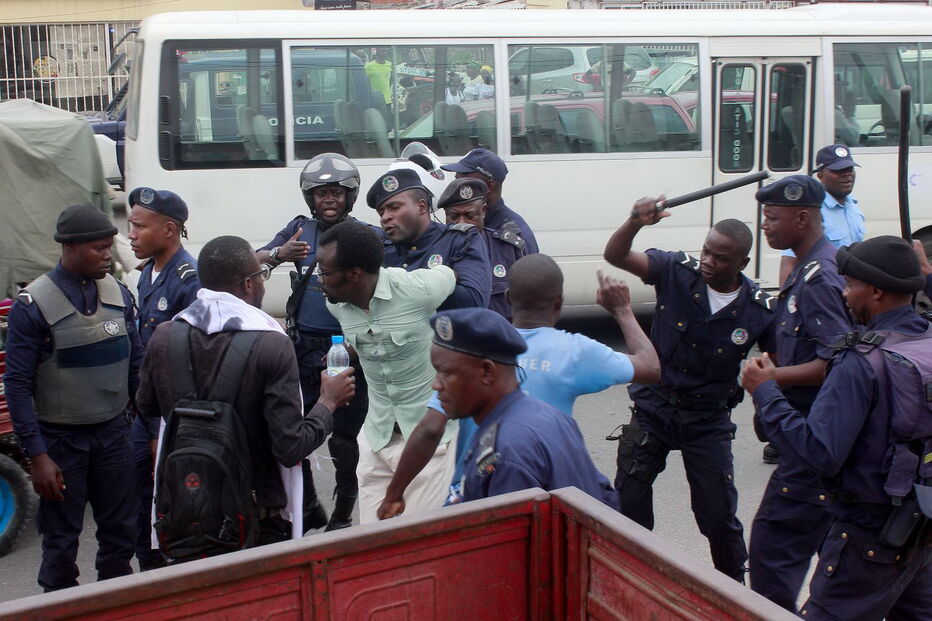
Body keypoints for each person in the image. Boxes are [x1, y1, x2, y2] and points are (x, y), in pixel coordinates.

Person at [376, 254, 660, 520]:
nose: (437, 384)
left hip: (499, 500)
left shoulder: (475, 354)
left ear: (508, 297)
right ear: (559, 303)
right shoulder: (573, 354)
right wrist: (622, 309)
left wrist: (394, 494)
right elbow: (650, 367)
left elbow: (430, 429)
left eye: (444, 374)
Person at [741, 235, 932, 620]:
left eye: (851, 285)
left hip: (868, 539)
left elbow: (818, 453)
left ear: (876, 291)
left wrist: (765, 392)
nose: (845, 294)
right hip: (921, 531)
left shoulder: (861, 362)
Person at [136, 236, 355, 554]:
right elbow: (291, 447)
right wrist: (328, 402)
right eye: (261, 276)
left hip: (187, 510)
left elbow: (147, 405)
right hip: (255, 521)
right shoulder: (272, 344)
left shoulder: (164, 335)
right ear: (250, 284)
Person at [602, 200, 776, 583]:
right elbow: (615, 254)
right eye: (706, 252)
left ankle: (734, 593)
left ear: (742, 265)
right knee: (627, 504)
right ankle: (630, 579)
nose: (709, 262)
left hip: (707, 420)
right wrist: (634, 221)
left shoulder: (760, 310)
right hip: (654, 409)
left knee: (718, 518)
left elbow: (776, 367)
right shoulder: (676, 271)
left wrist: (769, 408)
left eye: (721, 258)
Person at [3, 203, 144, 592]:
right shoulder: (33, 307)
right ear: (70, 248)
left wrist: (143, 423)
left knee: (120, 535)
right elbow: (17, 385)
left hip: (114, 435)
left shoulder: (117, 293)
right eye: (98, 248)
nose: (106, 255)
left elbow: (136, 364)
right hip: (61, 442)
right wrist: (38, 456)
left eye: (108, 246)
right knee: (61, 543)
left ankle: (115, 605)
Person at [750, 175, 854, 611]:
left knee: (774, 549)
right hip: (812, 441)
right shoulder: (807, 267)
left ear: (803, 216)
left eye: (772, 218)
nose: (765, 226)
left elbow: (838, 362)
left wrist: (773, 378)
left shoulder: (820, 276)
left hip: (813, 440)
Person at [256, 153, 370, 532]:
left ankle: (342, 513)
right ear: (310, 198)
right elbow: (252, 261)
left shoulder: (363, 235)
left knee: (343, 439)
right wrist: (278, 254)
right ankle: (306, 506)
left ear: (350, 196)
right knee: (292, 432)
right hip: (302, 350)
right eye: (321, 193)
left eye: (337, 192)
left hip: (347, 350)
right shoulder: (299, 229)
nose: (329, 200)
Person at [318, 220, 457, 524]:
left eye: (325, 272)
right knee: (373, 544)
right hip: (377, 439)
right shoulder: (336, 306)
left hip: (431, 444)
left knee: (417, 543)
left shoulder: (417, 289)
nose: (319, 280)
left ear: (354, 274)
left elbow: (448, 275)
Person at [428, 307, 620, 508]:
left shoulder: (508, 452)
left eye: (446, 373)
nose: (436, 385)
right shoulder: (546, 415)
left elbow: (508, 535)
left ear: (486, 372)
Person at [125, 186, 200, 571]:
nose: (131, 235)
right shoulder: (147, 276)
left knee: (169, 499)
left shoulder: (189, 280)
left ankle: (165, 571)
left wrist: (160, 430)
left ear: (170, 229)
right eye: (130, 225)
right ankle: (147, 565)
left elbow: (191, 362)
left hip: (172, 416)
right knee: (140, 495)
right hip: (146, 410)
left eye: (139, 226)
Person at [371, 167, 491, 311]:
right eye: (381, 212)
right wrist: (441, 282)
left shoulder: (460, 240)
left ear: (421, 207)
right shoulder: (382, 251)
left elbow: (472, 301)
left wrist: (395, 288)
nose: (385, 217)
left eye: (394, 207)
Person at [437, 177, 528, 319]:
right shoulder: (435, 251)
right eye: (454, 216)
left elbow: (525, 305)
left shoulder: (508, 248)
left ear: (483, 211)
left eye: (469, 215)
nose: (462, 223)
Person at [778, 144, 865, 286]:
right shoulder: (813, 212)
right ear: (820, 176)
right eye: (839, 171)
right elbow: (790, 262)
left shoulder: (853, 206)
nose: (847, 174)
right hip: (823, 289)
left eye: (850, 169)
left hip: (851, 291)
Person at [441, 148, 539, 254]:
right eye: (457, 179)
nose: (457, 186)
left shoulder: (513, 237)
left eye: (465, 182)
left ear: (489, 186)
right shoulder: (462, 222)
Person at [365, 48, 393, 122]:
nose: (385, 53)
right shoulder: (369, 66)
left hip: (387, 100)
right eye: (383, 51)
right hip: (375, 100)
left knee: (386, 125)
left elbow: (391, 80)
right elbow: (365, 82)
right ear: (377, 52)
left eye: (386, 51)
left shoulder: (390, 65)